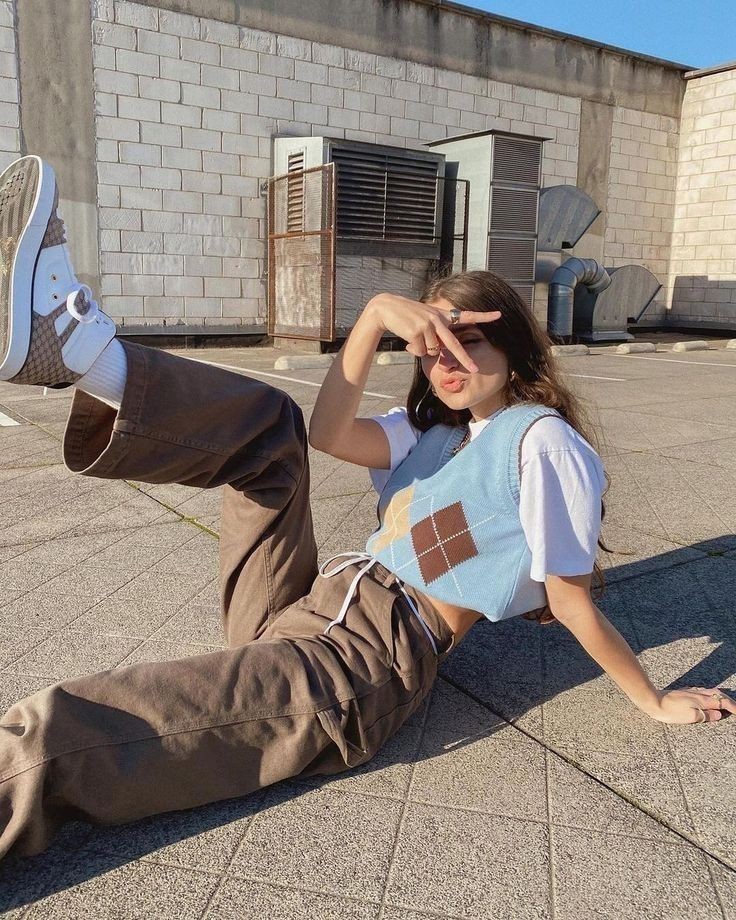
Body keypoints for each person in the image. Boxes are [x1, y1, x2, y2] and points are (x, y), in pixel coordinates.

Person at [0, 155, 732, 862]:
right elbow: (324, 433)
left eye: (468, 342)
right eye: (430, 347)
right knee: (272, 429)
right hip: (305, 607)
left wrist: (652, 700)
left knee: (68, 730)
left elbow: (570, 600)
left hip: (359, 666)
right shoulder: (433, 431)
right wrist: (376, 314)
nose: (445, 362)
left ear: (514, 348)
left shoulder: (541, 443)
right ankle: (87, 358)